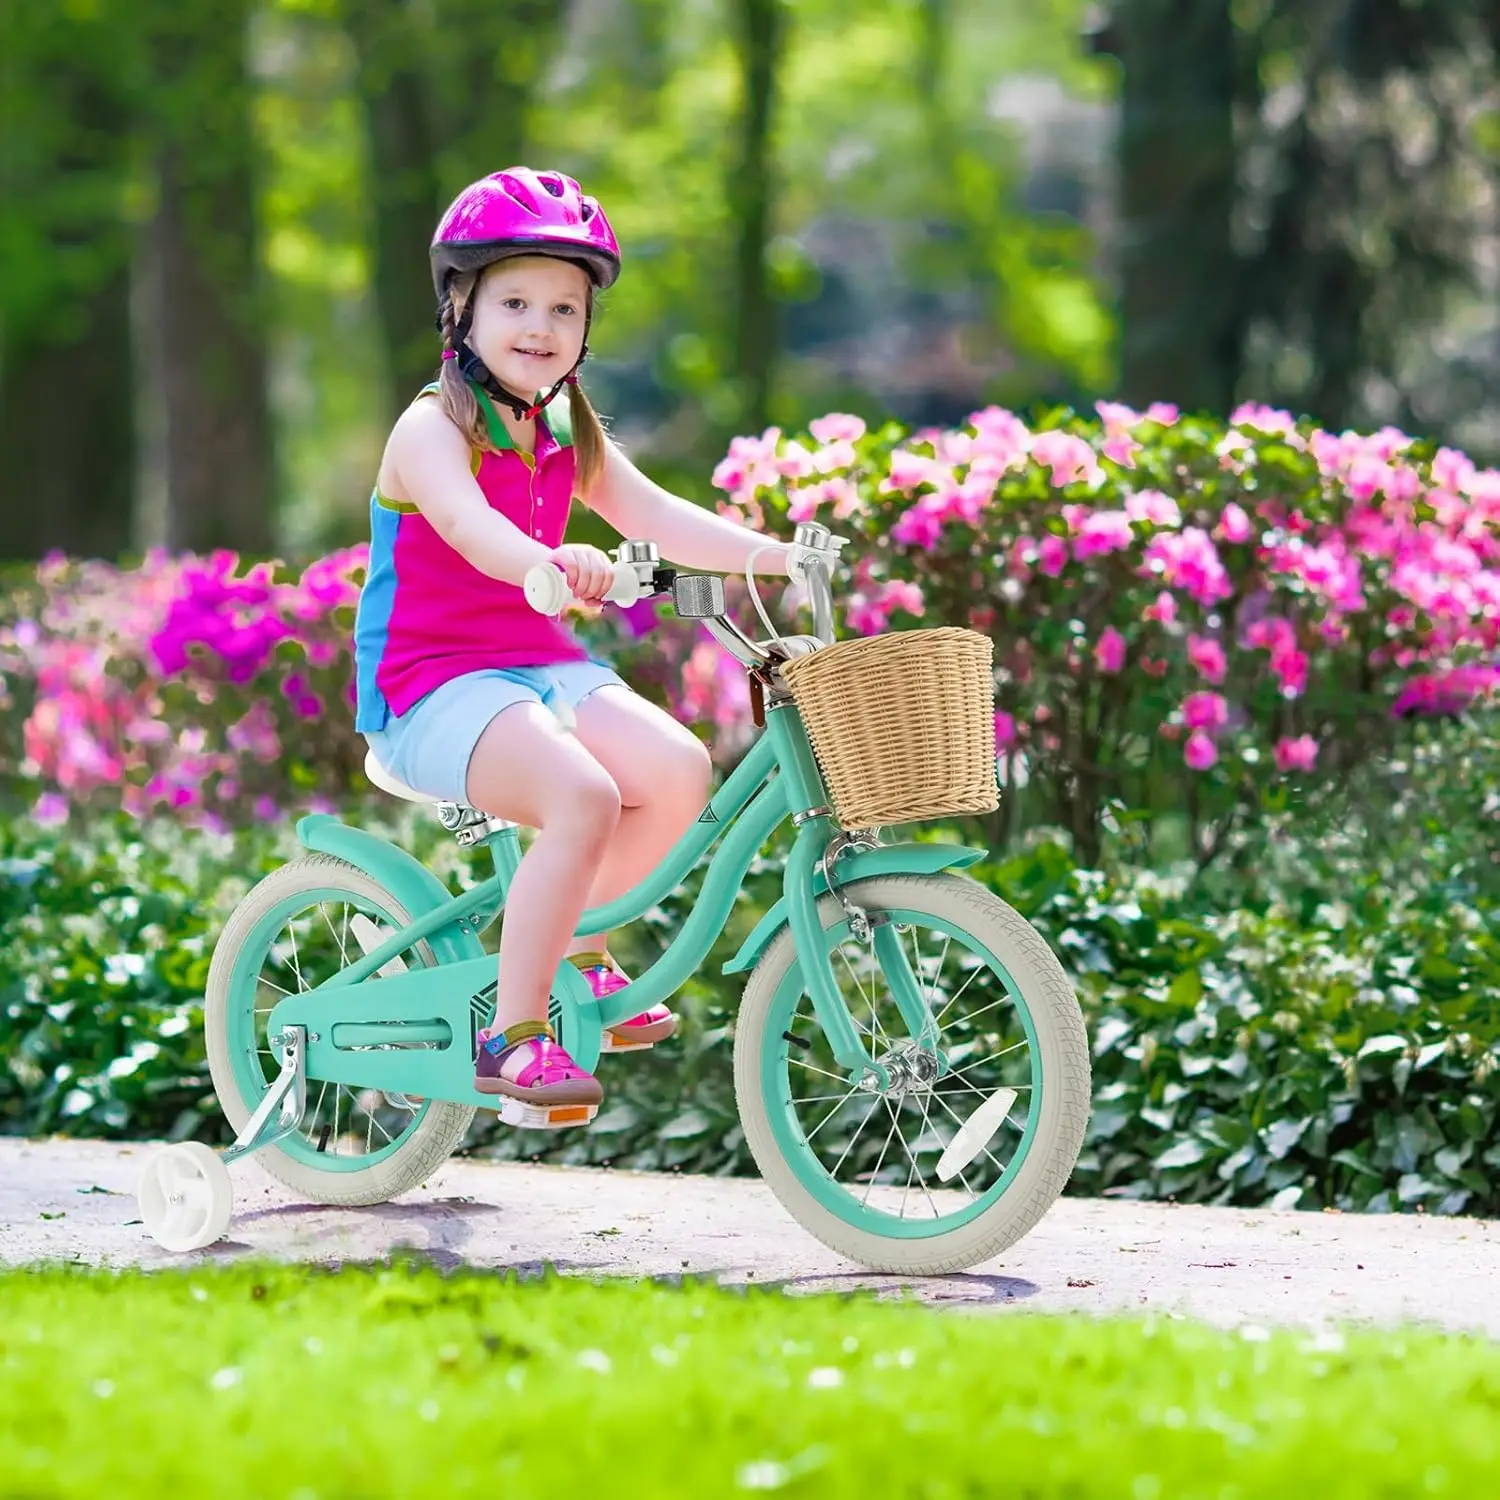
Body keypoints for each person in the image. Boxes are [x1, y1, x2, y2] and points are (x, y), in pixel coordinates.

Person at [353, 167, 800, 1111]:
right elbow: (472, 526)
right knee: (582, 794)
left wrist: (778, 557)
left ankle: (578, 948)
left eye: (565, 307)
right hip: (431, 683)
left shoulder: (563, 424)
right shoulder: (430, 427)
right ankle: (513, 1034)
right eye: (515, 300)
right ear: (461, 308)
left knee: (677, 768)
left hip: (537, 669)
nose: (540, 326)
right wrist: (545, 562)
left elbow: (656, 512)